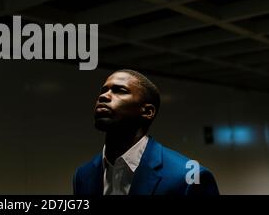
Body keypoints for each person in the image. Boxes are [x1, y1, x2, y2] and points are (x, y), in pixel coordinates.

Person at [73, 69, 219, 195]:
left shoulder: (189, 178)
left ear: (148, 111)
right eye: (104, 90)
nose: (104, 96)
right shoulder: (83, 175)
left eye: (120, 91)